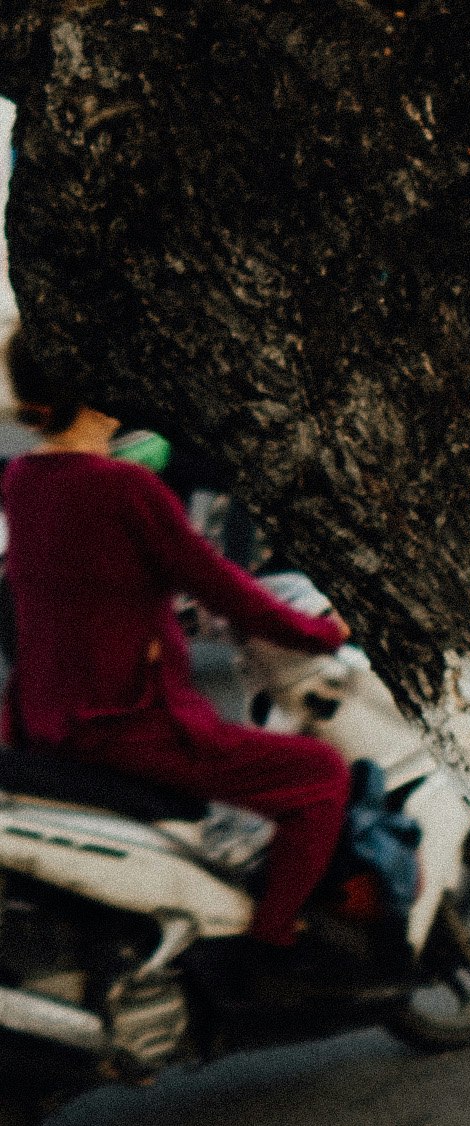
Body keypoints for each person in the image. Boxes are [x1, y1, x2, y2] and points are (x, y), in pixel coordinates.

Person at [0, 331, 355, 950]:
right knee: (320, 774)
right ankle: (272, 934)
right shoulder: (125, 489)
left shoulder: (24, 480)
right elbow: (227, 591)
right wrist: (323, 633)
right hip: (136, 725)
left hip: (46, 722)